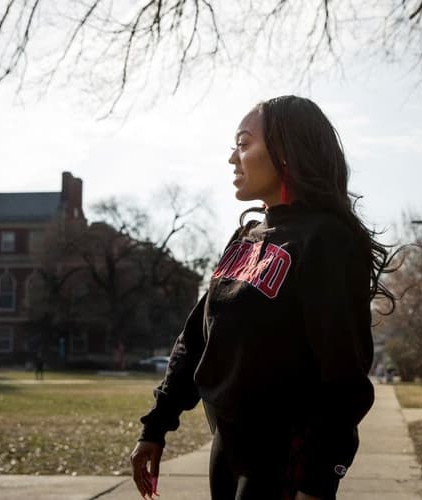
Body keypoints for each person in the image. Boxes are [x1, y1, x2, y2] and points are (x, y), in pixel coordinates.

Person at [130, 96, 396, 500]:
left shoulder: (326, 241)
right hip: (227, 450)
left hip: (285, 463)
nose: (232, 159)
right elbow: (196, 339)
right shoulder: (245, 238)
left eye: (243, 144)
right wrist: (156, 427)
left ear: (285, 151)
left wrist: (319, 479)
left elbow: (343, 375)